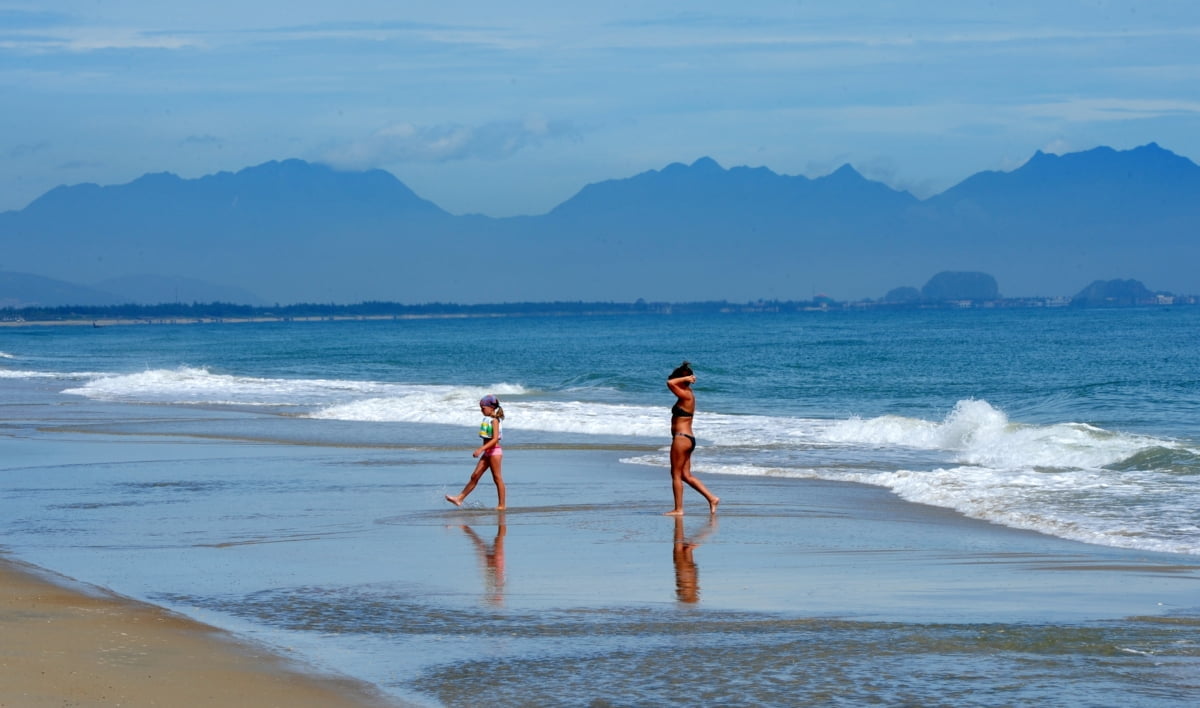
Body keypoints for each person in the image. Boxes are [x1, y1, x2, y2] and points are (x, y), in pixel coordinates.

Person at [665, 361, 719, 515]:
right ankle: (712, 498)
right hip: (687, 438)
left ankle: (679, 509)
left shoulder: (686, 394)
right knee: (685, 475)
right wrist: (685, 379)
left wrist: (685, 379)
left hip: (682, 439)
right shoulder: (687, 394)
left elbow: (669, 383)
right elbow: (671, 382)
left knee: (675, 474)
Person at [446, 394, 507, 509]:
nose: (481, 411)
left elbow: (495, 439)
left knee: (497, 478)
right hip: (488, 452)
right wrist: (484, 450)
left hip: (494, 452)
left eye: (483, 408)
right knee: (474, 476)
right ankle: (459, 499)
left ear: (491, 408)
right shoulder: (487, 419)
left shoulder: (495, 421)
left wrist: (481, 449)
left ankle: (502, 505)